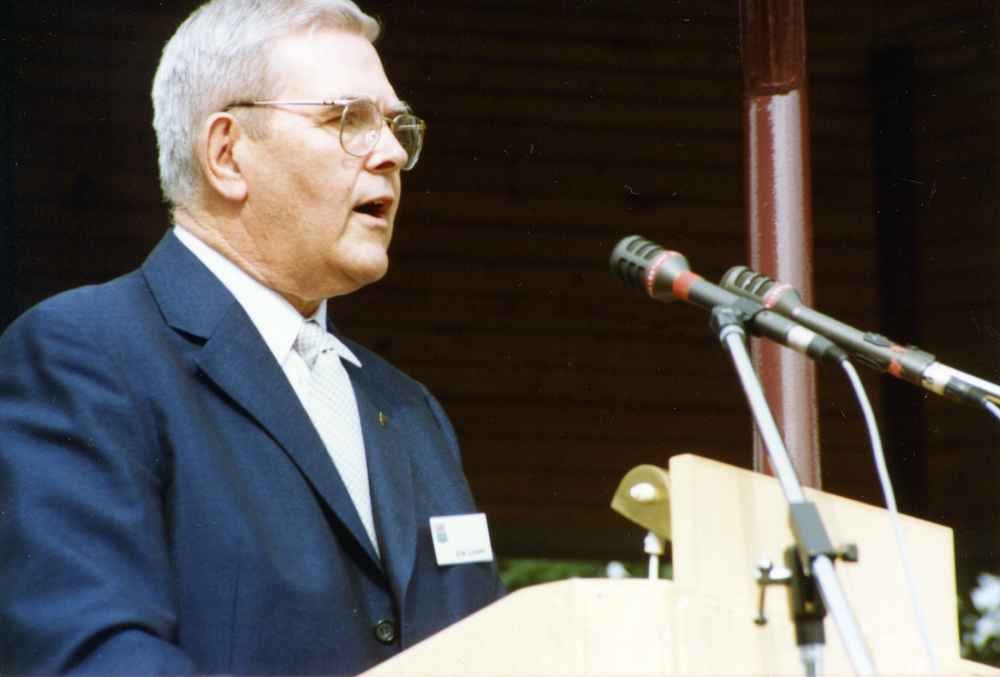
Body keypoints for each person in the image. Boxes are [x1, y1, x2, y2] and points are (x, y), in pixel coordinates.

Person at [0, 0, 505, 674]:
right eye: (347, 119)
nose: (390, 153)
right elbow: (92, 654)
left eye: (396, 124)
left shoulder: (412, 411)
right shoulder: (86, 355)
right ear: (228, 154)